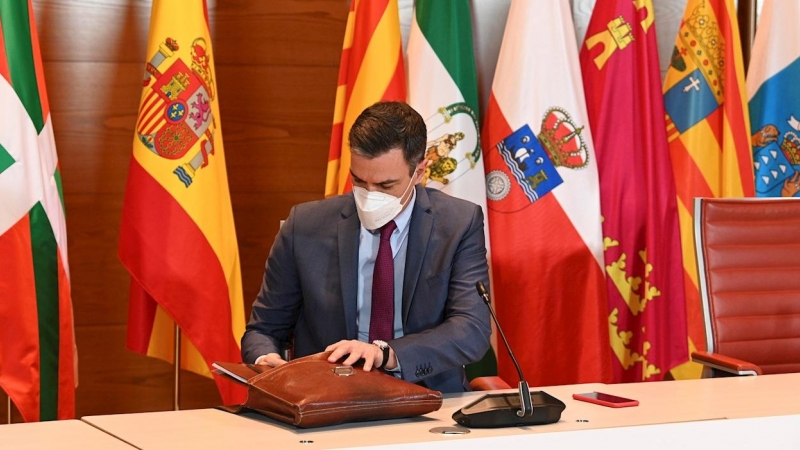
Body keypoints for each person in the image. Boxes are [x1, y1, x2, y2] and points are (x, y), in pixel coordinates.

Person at [241, 101, 491, 393]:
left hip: (427, 395)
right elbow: (263, 329)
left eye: (386, 186)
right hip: (327, 396)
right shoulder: (305, 225)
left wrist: (386, 354)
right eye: (359, 181)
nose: (370, 196)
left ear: (419, 171)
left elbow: (471, 330)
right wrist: (264, 357)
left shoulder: (459, 223)